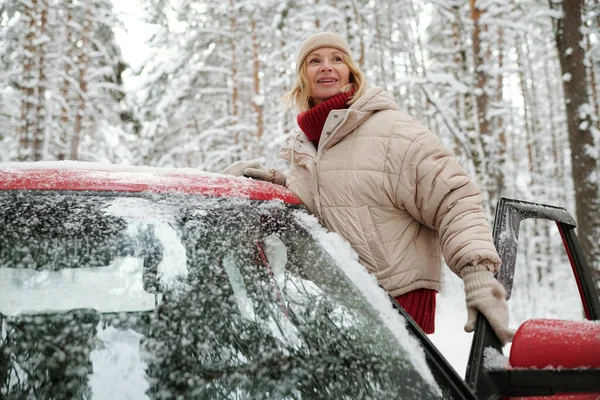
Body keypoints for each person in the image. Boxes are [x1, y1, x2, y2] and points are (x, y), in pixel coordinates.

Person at [222, 32, 514, 344]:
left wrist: (478, 273)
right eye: (314, 61)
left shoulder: (393, 131)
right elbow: (323, 211)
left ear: (351, 71)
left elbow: (452, 196)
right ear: (302, 77)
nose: (326, 67)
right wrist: (275, 186)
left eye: (337, 59)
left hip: (398, 307)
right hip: (337, 310)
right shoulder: (306, 147)